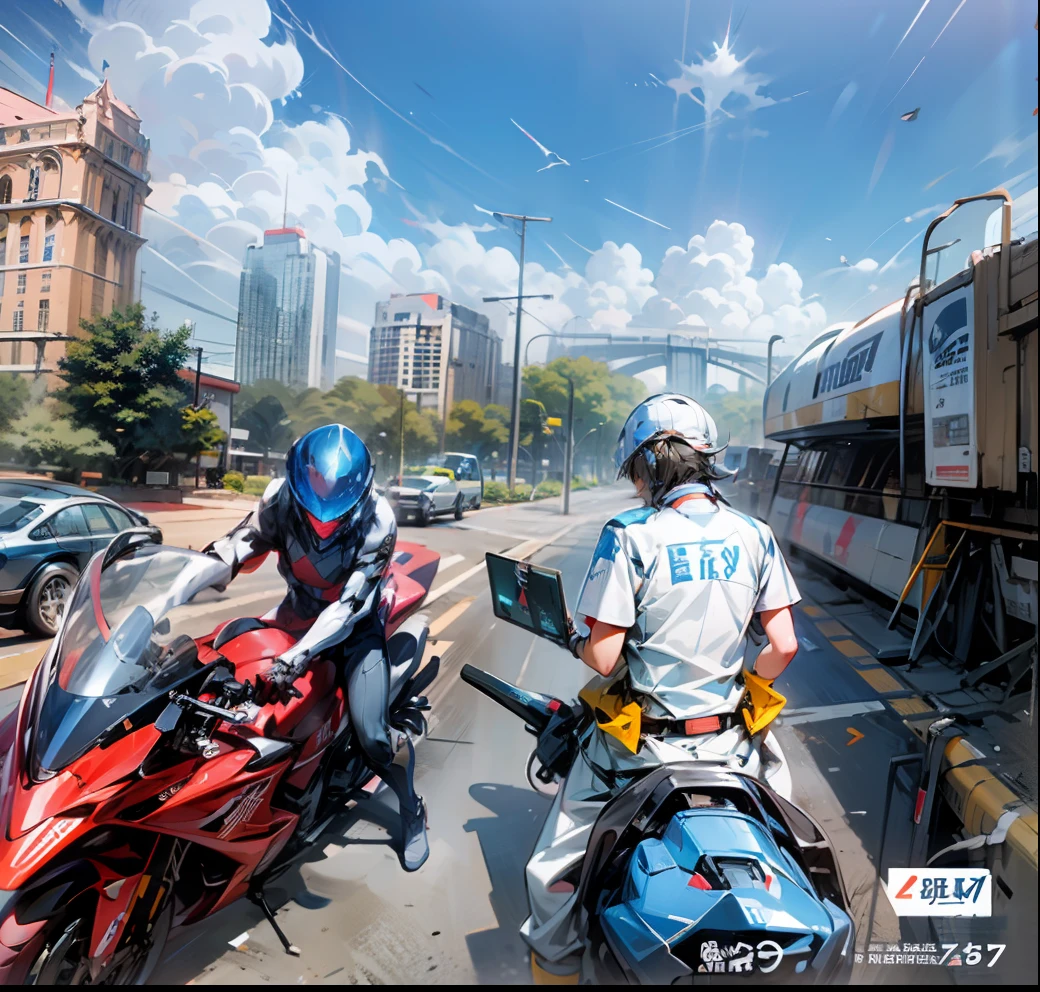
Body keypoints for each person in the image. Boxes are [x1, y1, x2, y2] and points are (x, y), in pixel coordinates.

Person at [521, 393, 802, 981]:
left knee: (551, 869)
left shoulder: (630, 534)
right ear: (706, 460)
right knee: (789, 822)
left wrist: (570, 636)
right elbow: (783, 646)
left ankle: (553, 963)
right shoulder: (755, 533)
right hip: (731, 746)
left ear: (644, 468)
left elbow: (603, 658)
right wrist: (747, 694)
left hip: (641, 750)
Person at [205, 423, 429, 871]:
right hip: (295, 610)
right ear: (301, 472)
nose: (324, 516)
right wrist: (178, 586)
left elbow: (349, 606)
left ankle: (412, 810)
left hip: (356, 625)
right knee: (219, 680)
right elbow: (234, 550)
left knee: (372, 735)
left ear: (359, 486)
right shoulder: (279, 497)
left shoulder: (378, 518)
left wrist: (297, 656)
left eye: (338, 492)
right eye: (317, 485)